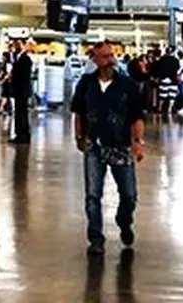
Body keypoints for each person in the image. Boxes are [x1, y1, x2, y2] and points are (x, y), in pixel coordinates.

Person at [71, 41, 146, 255]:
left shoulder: (127, 85)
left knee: (129, 194)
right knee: (93, 195)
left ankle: (124, 221)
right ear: (94, 60)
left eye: (111, 55)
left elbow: (137, 116)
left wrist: (138, 142)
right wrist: (79, 136)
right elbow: (79, 112)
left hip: (121, 146)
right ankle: (96, 238)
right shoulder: (86, 84)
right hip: (94, 145)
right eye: (104, 56)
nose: (110, 60)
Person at [10, 40, 33, 143]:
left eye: (18, 44)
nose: (16, 46)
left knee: (21, 113)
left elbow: (23, 75)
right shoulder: (18, 58)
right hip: (20, 90)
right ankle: (21, 134)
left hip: (22, 90)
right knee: (20, 112)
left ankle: (22, 135)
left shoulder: (25, 59)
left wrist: (14, 76)